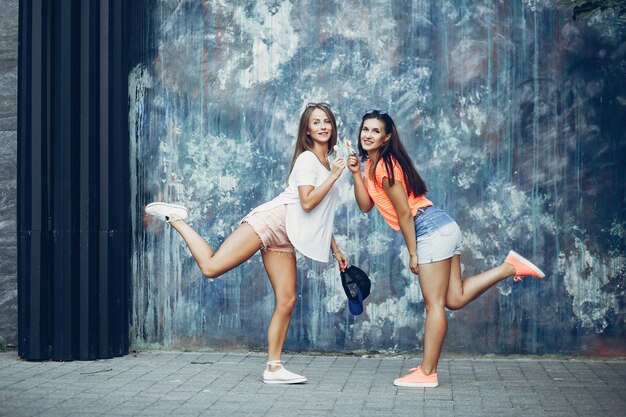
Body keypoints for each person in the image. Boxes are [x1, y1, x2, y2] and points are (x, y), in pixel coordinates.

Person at [145, 103, 349, 384]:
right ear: (308, 131)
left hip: (289, 236)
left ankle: (274, 368)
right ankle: (175, 219)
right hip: (271, 222)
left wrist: (336, 250)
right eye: (316, 122)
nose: (323, 126)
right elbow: (307, 201)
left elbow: (320, 215)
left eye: (327, 121)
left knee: (287, 300)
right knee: (211, 268)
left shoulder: (329, 162)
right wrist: (336, 175)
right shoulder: (307, 161)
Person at [347, 110, 544, 388]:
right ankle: (509, 267)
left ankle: (427, 373)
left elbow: (404, 213)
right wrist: (356, 173)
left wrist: (413, 253)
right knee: (455, 297)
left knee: (434, 305)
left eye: (375, 131)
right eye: (365, 129)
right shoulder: (371, 165)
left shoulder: (386, 168)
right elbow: (366, 205)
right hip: (441, 225)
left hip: (429, 229)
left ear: (387, 136)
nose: (368, 135)